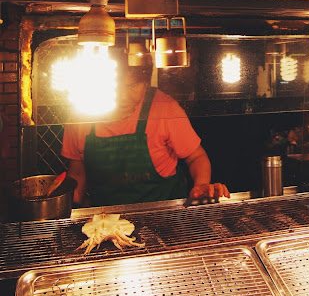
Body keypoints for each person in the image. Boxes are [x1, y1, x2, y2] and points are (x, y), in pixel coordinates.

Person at [61, 53, 230, 207]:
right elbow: (77, 171)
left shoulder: (164, 108)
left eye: (132, 86)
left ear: (146, 84)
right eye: (114, 87)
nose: (122, 96)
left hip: (165, 215)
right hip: (106, 219)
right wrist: (72, 207)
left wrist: (200, 186)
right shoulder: (81, 114)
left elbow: (196, 157)